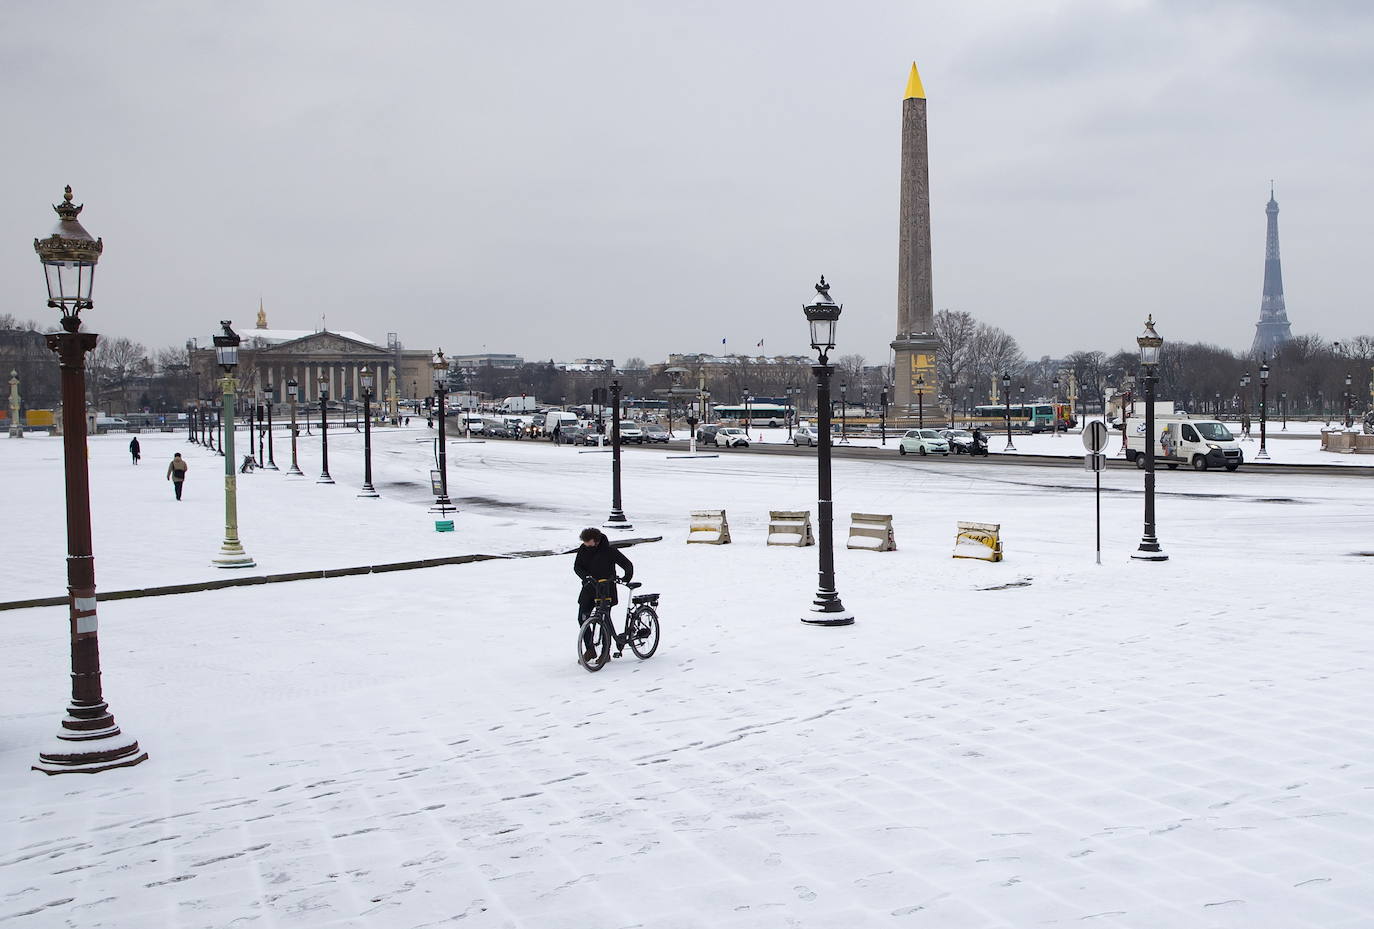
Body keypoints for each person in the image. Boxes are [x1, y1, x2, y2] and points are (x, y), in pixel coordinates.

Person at [572, 527, 634, 662]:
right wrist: (585, 577)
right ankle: (590, 649)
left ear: (596, 541)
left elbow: (627, 564)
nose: (585, 545)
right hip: (589, 589)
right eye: (584, 542)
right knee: (582, 618)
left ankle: (605, 653)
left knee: (605, 621)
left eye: (588, 542)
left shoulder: (609, 551)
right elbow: (577, 567)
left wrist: (625, 579)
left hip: (606, 590)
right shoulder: (583, 549)